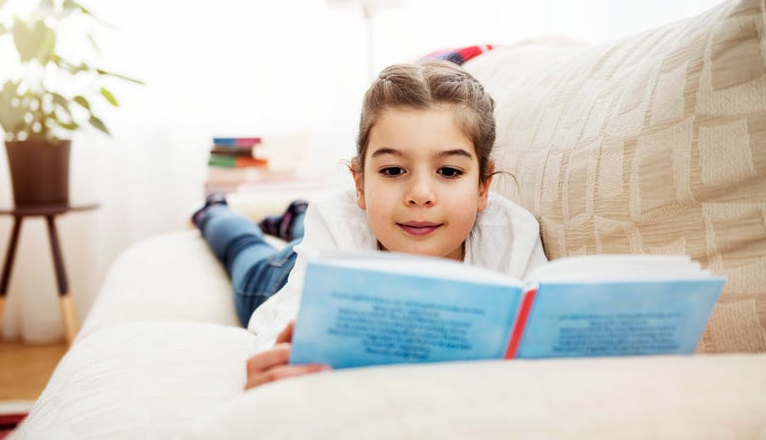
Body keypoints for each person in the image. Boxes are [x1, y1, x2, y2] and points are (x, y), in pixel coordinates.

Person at [193, 60, 547, 390]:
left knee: (305, 223)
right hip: (281, 274)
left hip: (344, 227)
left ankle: (292, 216)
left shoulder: (513, 233)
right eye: (393, 170)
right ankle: (215, 213)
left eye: (449, 172)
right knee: (246, 252)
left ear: (483, 186)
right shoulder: (336, 220)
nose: (420, 195)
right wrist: (278, 362)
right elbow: (288, 321)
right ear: (360, 184)